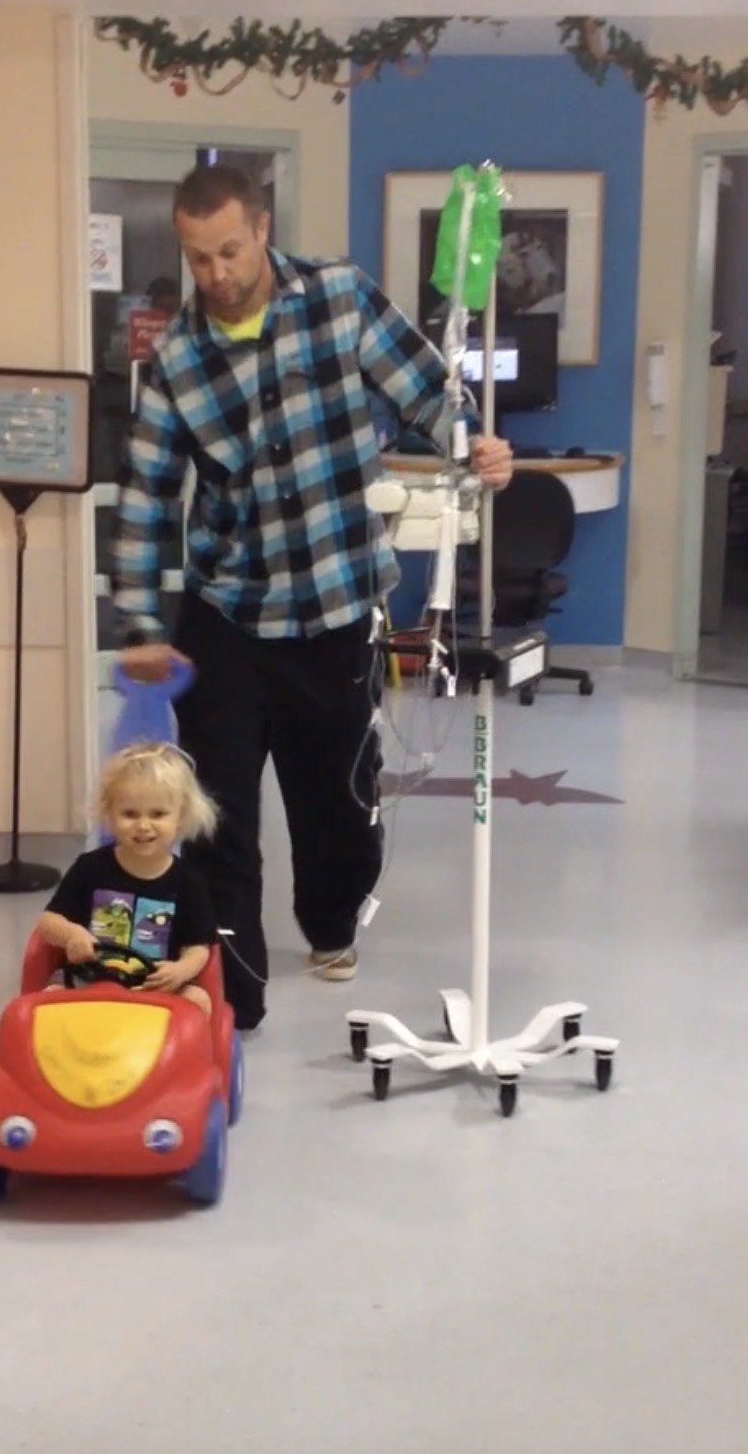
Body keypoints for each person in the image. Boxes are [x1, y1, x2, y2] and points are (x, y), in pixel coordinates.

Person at [111, 162, 513, 1032]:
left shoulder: (338, 296)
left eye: (227, 250)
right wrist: (142, 622)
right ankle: (234, 989)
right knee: (217, 811)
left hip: (333, 604)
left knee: (335, 798)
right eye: (196, 258)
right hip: (227, 613)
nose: (214, 274)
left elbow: (425, 390)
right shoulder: (176, 355)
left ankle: (331, 924)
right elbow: (146, 493)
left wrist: (473, 442)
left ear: (261, 229)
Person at [36, 743, 220, 1017]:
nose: (143, 825)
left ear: (180, 816)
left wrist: (180, 970)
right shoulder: (91, 868)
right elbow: (47, 923)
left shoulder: (189, 882)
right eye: (130, 814)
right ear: (109, 814)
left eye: (157, 814)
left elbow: (199, 947)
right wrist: (72, 935)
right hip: (91, 977)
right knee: (48, 1001)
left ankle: (181, 1061)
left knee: (199, 1001)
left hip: (157, 985)